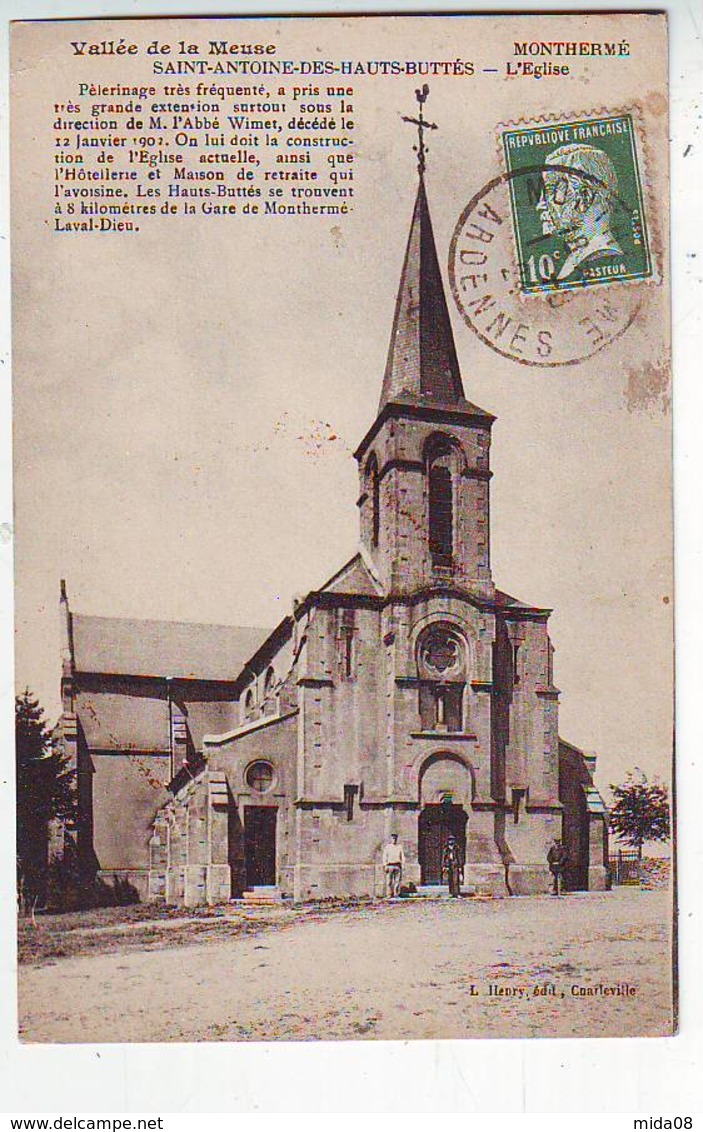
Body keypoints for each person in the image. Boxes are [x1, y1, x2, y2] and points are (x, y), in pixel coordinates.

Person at [536, 143, 624, 283]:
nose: (540, 205)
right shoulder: (573, 263)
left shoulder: (600, 259)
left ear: (584, 198)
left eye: (549, 191)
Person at [382, 833, 405, 898]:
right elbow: (384, 856)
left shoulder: (399, 847)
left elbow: (402, 856)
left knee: (397, 881)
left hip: (397, 865)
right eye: (393, 838)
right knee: (389, 881)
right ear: (391, 839)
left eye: (395, 838)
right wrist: (385, 865)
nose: (394, 840)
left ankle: (396, 894)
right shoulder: (388, 847)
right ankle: (389, 894)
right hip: (390, 866)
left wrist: (403, 865)